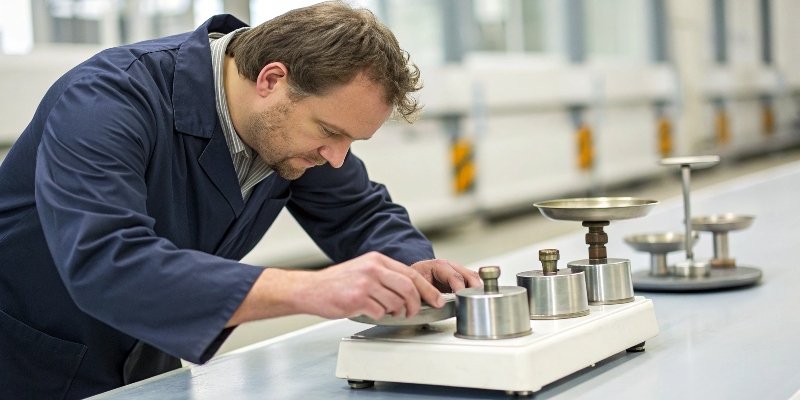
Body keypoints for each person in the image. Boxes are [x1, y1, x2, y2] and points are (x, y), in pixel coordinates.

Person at [0, 2, 481, 398]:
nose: (337, 159)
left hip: (147, 364)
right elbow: (108, 261)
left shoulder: (286, 127)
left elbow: (359, 213)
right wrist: (309, 290)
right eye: (331, 133)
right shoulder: (108, 99)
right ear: (271, 80)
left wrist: (412, 269)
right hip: (30, 363)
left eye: (351, 142)